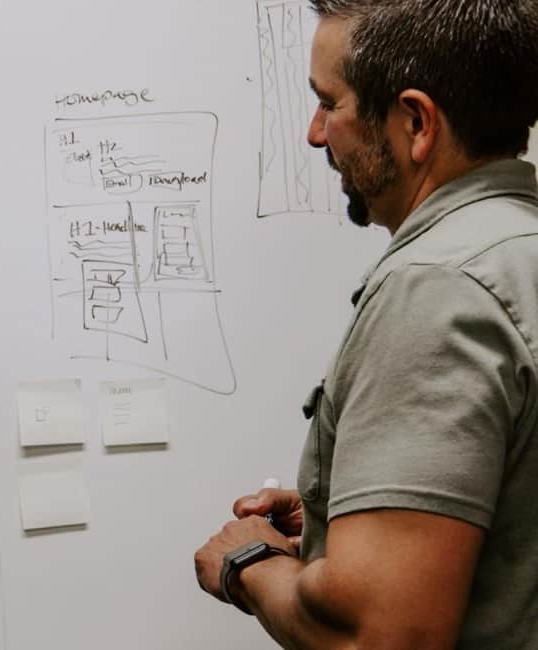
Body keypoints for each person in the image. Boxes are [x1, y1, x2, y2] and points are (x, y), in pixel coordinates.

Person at [194, 0, 538, 647]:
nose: (316, 133)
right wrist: (337, 519)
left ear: (415, 122)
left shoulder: (438, 287)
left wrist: (248, 562)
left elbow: (381, 634)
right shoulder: (518, 249)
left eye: (330, 102)